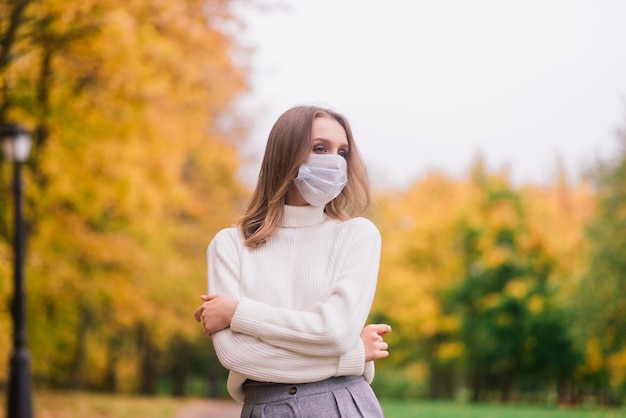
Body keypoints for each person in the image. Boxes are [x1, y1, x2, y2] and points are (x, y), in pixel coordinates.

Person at [194, 105, 391, 417]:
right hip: (267, 407)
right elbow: (238, 354)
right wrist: (351, 355)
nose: (334, 161)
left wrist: (238, 312)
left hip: (345, 405)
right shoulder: (229, 245)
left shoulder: (358, 235)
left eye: (342, 152)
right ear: (286, 155)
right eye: (320, 148)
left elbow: (336, 330)